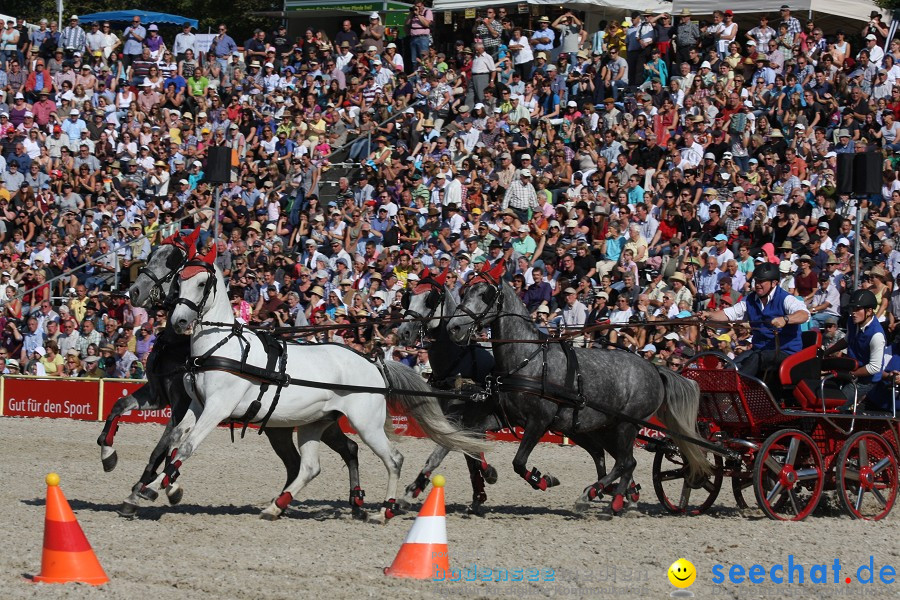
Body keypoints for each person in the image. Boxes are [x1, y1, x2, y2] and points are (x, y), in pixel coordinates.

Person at [701, 262, 810, 377]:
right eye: (756, 281)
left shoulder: (786, 299)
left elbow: (804, 315)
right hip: (760, 350)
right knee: (732, 365)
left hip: (786, 352)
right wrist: (708, 315)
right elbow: (729, 314)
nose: (757, 284)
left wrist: (785, 319)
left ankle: (741, 386)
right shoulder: (749, 299)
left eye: (761, 281)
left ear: (774, 283)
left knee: (757, 358)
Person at [825, 290, 885, 404]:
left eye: (857, 309)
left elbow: (874, 368)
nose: (853, 313)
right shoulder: (852, 321)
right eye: (852, 309)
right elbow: (847, 339)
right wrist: (827, 352)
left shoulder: (877, 335)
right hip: (851, 369)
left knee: (837, 403)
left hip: (866, 380)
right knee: (825, 393)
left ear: (869, 311)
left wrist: (852, 374)